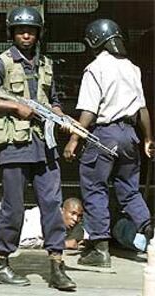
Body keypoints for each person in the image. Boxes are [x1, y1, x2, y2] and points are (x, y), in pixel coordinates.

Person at [0, 6, 76, 290]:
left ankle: (56, 265)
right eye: (20, 30)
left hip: (45, 145)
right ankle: (0, 264)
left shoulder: (46, 65)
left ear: (39, 33)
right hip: (15, 146)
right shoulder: (0, 63)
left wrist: (58, 115)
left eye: (30, 30)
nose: (26, 35)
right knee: (13, 207)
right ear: (11, 33)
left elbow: (52, 98)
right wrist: (15, 106)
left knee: (52, 205)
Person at [64, 19, 155, 268]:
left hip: (104, 135)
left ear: (94, 41)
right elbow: (142, 109)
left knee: (95, 189)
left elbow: (89, 112)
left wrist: (73, 139)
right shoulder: (132, 68)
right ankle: (151, 234)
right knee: (129, 190)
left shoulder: (96, 68)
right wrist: (147, 138)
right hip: (130, 135)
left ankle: (99, 250)